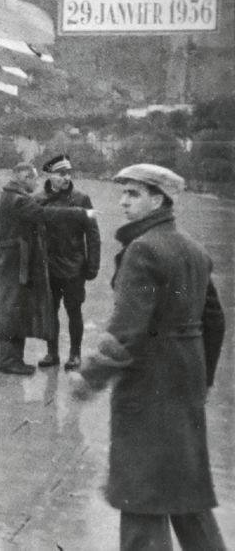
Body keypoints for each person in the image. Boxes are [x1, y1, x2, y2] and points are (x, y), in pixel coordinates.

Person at [70, 164, 226, 551]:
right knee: (186, 494)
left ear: (159, 200)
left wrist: (91, 375)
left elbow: (127, 328)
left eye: (134, 194)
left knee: (140, 495)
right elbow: (214, 321)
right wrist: (201, 380)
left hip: (148, 385)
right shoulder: (193, 249)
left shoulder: (142, 249)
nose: (122, 201)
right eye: (123, 192)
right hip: (184, 381)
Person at [0, 162, 93, 375]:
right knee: (11, 310)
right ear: (24, 178)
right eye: (34, 179)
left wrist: (6, 247)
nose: (37, 183)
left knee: (12, 310)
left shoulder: (6, 197)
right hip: (15, 264)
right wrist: (80, 213)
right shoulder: (18, 200)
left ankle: (12, 359)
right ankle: (8, 360)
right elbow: (45, 214)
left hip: (9, 262)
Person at [37, 154, 101, 370]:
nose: (66, 178)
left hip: (74, 267)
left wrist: (93, 265)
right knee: (50, 311)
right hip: (48, 268)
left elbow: (93, 234)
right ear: (49, 175)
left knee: (74, 311)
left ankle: (75, 354)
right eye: (61, 174)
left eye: (68, 173)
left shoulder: (83, 199)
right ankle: (52, 353)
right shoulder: (38, 199)